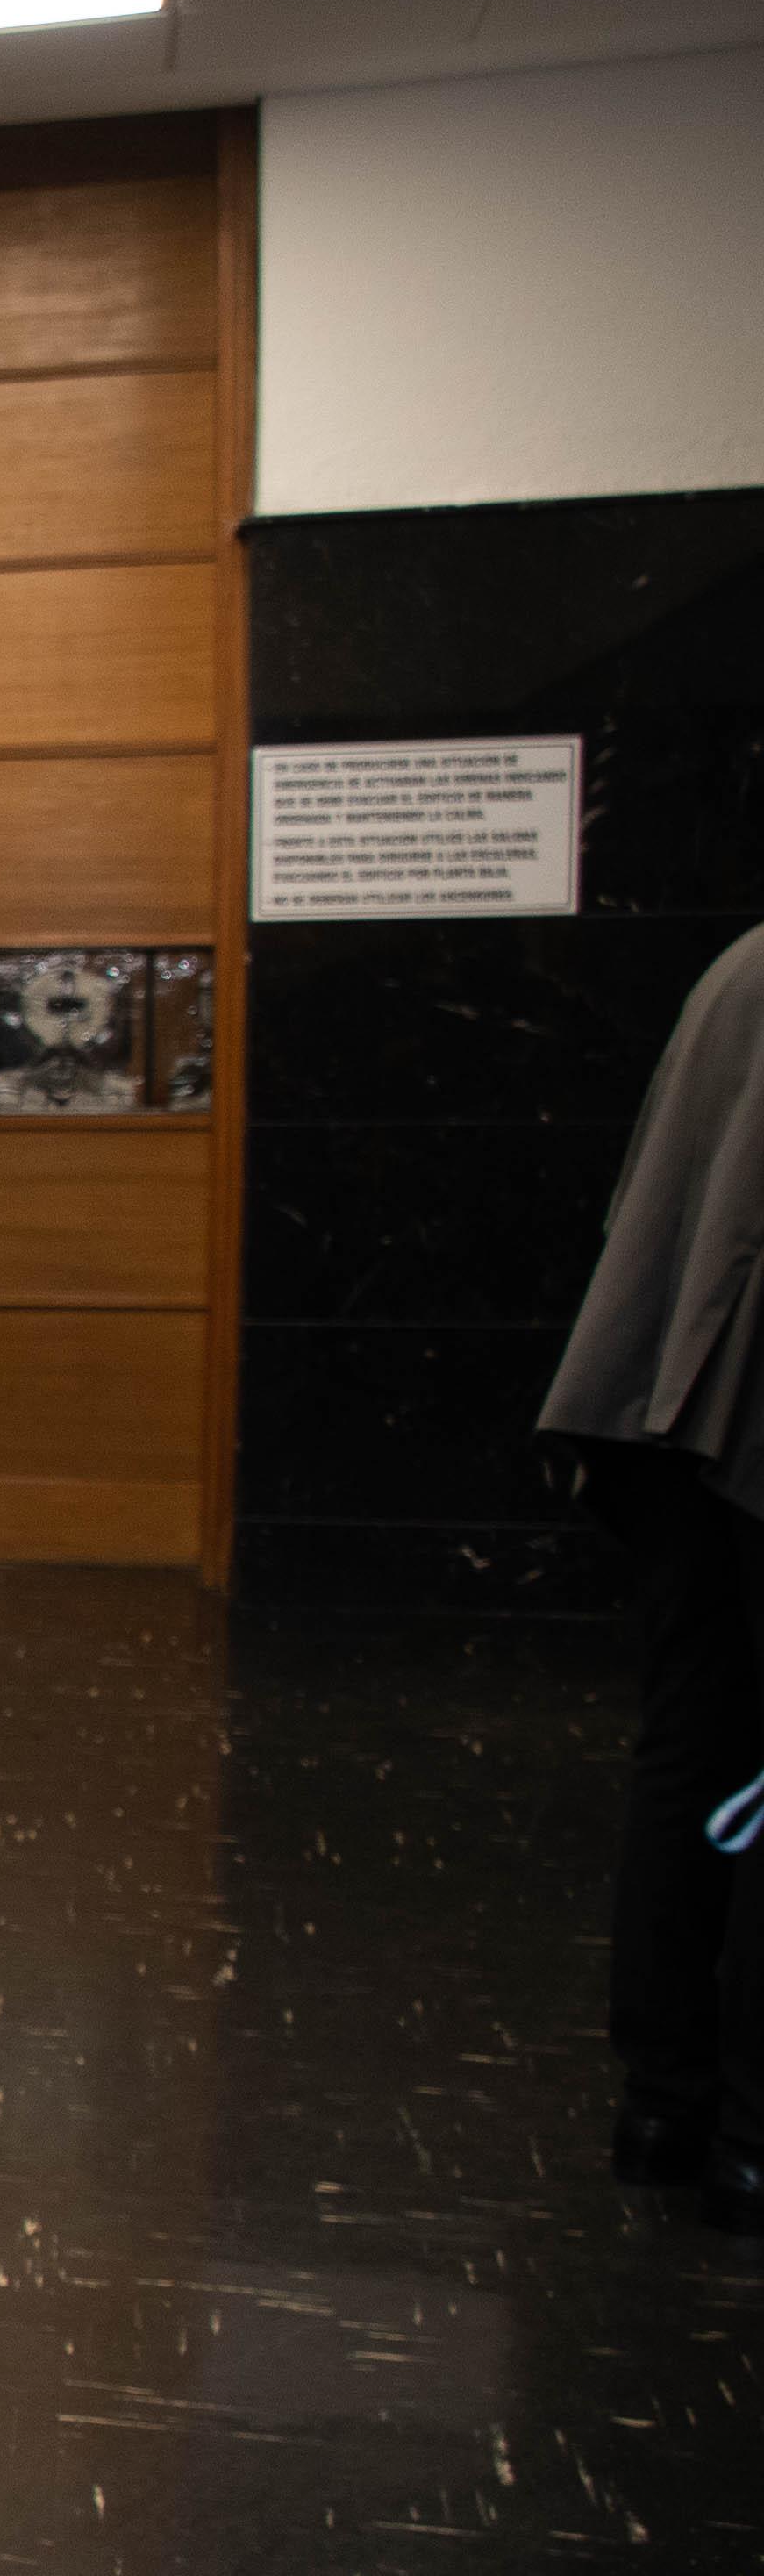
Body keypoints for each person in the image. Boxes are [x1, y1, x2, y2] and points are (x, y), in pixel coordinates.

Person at [539, 918, 764, 2233]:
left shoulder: (735, 962)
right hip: (738, 1417)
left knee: (694, 1739)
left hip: (670, 1404)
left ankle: (669, 2095)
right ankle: (745, 2124)